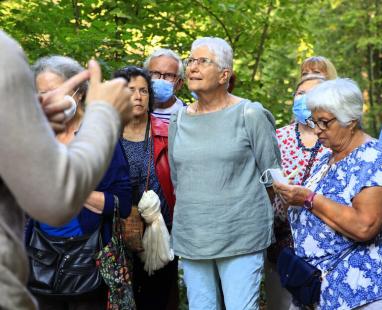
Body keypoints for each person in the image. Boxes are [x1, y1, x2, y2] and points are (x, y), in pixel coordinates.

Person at [0, 30, 132, 309]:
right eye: (39, 94)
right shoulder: (5, 56)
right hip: (39, 258)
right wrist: (106, 114)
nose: (47, 98)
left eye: (53, 92)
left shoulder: (106, 143)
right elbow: (52, 195)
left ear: (79, 93)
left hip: (87, 258)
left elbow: (122, 201)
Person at [274, 78, 382, 309]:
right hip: (325, 289)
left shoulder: (372, 158)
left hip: (368, 288)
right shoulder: (327, 157)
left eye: (324, 122)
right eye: (313, 121)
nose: (317, 129)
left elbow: (364, 226)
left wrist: (308, 198)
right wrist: (293, 197)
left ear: (350, 120)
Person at [168, 37, 280, 310]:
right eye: (190, 61)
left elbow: (272, 176)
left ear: (224, 74)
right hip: (193, 235)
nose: (192, 67)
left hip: (240, 234)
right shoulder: (178, 118)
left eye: (202, 61)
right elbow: (177, 178)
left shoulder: (249, 113)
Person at [113, 66, 177, 310]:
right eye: (131, 90)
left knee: (157, 299)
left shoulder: (168, 132)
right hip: (115, 233)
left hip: (161, 229)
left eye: (143, 90)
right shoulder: (105, 134)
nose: (138, 96)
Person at [265, 74, 331, 310]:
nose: (303, 99)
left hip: (326, 241)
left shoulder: (337, 142)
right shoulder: (276, 138)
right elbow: (258, 181)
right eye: (300, 93)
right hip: (280, 241)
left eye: (311, 94)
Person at [144, 48, 185, 123]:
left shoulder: (187, 115)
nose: (161, 79)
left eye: (169, 75)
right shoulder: (133, 111)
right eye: (155, 73)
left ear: (179, 83)